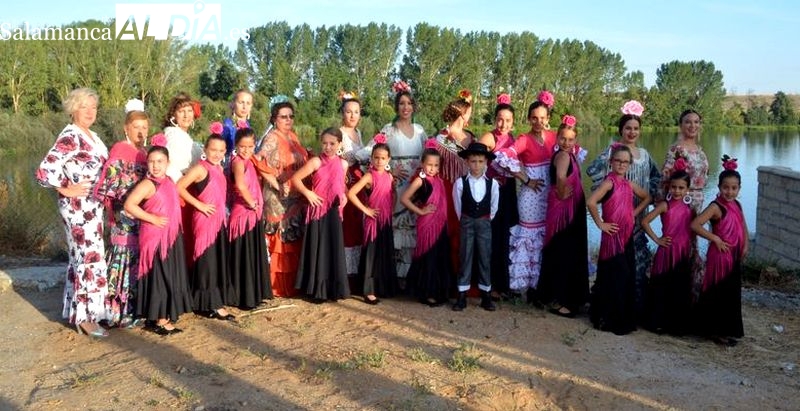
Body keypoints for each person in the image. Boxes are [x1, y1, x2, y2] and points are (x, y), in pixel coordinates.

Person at [36, 87, 111, 337]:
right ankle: (85, 318)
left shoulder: (91, 135)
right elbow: (45, 170)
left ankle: (81, 312)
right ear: (73, 109)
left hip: (93, 207)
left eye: (93, 107)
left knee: (86, 257)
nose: (90, 111)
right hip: (78, 208)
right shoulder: (71, 135)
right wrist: (66, 188)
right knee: (87, 258)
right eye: (84, 107)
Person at [586, 100, 661, 319]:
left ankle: (635, 306)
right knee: (616, 261)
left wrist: (651, 191)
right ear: (621, 129)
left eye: (636, 128)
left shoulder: (645, 154)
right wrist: (608, 195)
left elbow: (657, 176)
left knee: (637, 259)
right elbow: (593, 170)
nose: (632, 132)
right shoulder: (614, 151)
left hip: (637, 214)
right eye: (628, 128)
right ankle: (610, 305)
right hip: (617, 215)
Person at [494, 90, 557, 304]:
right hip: (530, 196)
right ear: (529, 119)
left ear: (548, 119)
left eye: (542, 118)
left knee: (544, 239)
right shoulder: (524, 139)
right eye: (534, 118)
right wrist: (525, 179)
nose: (538, 122)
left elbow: (570, 153)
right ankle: (524, 287)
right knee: (529, 239)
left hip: (550, 196)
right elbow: (503, 157)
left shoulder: (554, 137)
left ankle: (541, 288)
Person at [124, 142, 193, 335]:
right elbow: (130, 205)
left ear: (168, 162)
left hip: (171, 236)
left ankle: (160, 316)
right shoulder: (148, 183)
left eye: (160, 161)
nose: (156, 165)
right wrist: (151, 218)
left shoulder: (169, 180)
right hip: (155, 239)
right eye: (152, 161)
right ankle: (160, 320)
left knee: (168, 275)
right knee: (159, 277)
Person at [93, 99, 149, 328]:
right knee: (122, 258)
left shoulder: (145, 153)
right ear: (126, 128)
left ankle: (134, 308)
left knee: (136, 260)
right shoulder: (119, 149)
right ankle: (117, 310)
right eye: (136, 127)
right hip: (124, 216)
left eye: (144, 127)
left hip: (141, 215)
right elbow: (110, 185)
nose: (141, 131)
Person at [587, 144, 652, 335]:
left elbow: (647, 197)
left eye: (625, 162)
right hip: (612, 237)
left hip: (626, 236)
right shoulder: (609, 183)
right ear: (611, 162)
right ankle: (607, 317)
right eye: (618, 161)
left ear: (630, 164)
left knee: (625, 275)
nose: (622, 164)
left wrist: (634, 212)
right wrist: (601, 224)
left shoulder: (629, 184)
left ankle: (621, 315)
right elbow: (591, 202)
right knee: (613, 275)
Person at [176, 127, 235, 320]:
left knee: (215, 261)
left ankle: (206, 301)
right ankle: (211, 304)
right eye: (213, 150)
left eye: (221, 150)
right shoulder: (200, 168)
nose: (217, 154)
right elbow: (179, 187)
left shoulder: (219, 169)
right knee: (207, 261)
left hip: (218, 220)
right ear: (205, 149)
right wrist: (199, 205)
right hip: (204, 220)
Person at [254, 96, 309, 297]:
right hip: (277, 198)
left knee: (292, 238)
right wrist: (275, 182)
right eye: (283, 117)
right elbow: (256, 161)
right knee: (279, 239)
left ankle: (292, 284)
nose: (287, 120)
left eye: (290, 116)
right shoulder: (272, 138)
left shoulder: (293, 137)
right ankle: (277, 286)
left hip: (294, 196)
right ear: (274, 119)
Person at [691, 155, 747, 346]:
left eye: (734, 188)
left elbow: (743, 226)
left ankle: (729, 328)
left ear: (739, 188)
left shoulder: (737, 205)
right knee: (719, 291)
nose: (729, 192)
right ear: (719, 187)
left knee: (731, 292)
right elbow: (695, 224)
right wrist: (714, 238)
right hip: (720, 257)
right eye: (726, 187)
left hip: (734, 255)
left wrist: (745, 244)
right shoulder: (716, 207)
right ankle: (716, 331)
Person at [537, 115, 589, 318]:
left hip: (571, 210)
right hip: (565, 212)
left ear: (576, 141)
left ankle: (562, 297)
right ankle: (566, 300)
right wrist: (561, 192)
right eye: (563, 139)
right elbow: (560, 177)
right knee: (565, 251)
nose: (566, 143)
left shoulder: (570, 155)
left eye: (570, 139)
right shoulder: (563, 156)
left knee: (565, 251)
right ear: (557, 138)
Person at [292, 128, 351, 302]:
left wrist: (345, 196)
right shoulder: (316, 161)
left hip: (334, 211)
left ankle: (333, 288)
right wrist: (308, 193)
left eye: (332, 143)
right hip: (318, 210)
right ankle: (316, 289)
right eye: (324, 143)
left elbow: (341, 184)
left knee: (332, 248)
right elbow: (296, 179)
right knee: (319, 248)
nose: (328, 147)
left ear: (340, 144)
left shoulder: (344, 164)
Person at [375, 81, 427, 281]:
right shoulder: (389, 130)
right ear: (396, 106)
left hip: (415, 185)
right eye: (402, 103)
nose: (406, 107)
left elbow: (429, 155)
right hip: (396, 186)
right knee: (396, 226)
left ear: (414, 106)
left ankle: (409, 276)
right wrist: (389, 170)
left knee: (412, 226)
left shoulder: (420, 130)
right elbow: (373, 152)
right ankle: (392, 276)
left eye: (409, 103)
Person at [661, 109, 709, 299]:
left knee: (693, 245)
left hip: (697, 202)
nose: (693, 126)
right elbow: (666, 178)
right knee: (680, 245)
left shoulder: (700, 150)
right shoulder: (676, 149)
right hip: (681, 201)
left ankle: (692, 296)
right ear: (681, 125)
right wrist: (666, 208)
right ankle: (674, 294)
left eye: (696, 122)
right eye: (688, 122)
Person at [641, 170, 694, 334]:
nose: (677, 191)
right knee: (662, 286)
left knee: (678, 287)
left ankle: (676, 324)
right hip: (667, 250)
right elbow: (645, 221)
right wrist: (657, 239)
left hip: (683, 251)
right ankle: (656, 322)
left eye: (681, 188)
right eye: (674, 187)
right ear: (669, 187)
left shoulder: (690, 207)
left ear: (687, 190)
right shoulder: (665, 205)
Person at [346, 135, 398, 304]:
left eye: (383, 158)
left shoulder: (390, 177)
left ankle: (382, 287)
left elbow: (393, 196)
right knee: (371, 255)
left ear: (388, 159)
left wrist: (390, 210)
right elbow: (351, 193)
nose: (379, 161)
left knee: (384, 254)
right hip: (372, 222)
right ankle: (368, 291)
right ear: (371, 158)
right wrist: (365, 210)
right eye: (376, 157)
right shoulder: (369, 176)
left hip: (386, 221)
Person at [400, 144, 452, 307]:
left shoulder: (439, 181)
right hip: (427, 225)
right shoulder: (419, 180)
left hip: (441, 224)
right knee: (428, 257)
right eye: (429, 164)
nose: (432, 168)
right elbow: (404, 199)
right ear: (422, 164)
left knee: (439, 256)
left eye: (436, 165)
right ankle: (427, 292)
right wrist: (420, 212)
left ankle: (439, 291)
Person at [478, 93, 518, 300]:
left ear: (513, 123)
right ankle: (489, 284)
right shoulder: (488, 138)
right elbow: (475, 165)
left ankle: (504, 283)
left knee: (506, 238)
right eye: (500, 119)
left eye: (508, 120)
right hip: (491, 192)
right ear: (495, 120)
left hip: (508, 191)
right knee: (491, 239)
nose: (503, 124)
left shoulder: (513, 139)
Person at [451, 143, 499, 312]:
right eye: (473, 161)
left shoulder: (492, 184)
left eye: (480, 161)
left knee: (485, 257)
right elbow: (458, 206)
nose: (477, 165)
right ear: (467, 162)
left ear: (486, 162)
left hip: (485, 223)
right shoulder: (460, 183)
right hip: (466, 221)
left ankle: (486, 295)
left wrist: (484, 220)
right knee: (465, 256)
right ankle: (462, 295)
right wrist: (467, 219)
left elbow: (494, 207)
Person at [229, 127, 271, 308]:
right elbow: (240, 185)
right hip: (244, 214)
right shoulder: (238, 162)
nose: (246, 150)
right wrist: (252, 203)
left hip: (254, 213)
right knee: (244, 256)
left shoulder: (251, 161)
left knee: (252, 254)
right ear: (236, 146)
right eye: (242, 146)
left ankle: (254, 294)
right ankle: (244, 298)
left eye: (250, 146)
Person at [434, 89, 474, 272]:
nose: (470, 115)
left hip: (467, 188)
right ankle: (446, 275)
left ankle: (463, 275)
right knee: (448, 229)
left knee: (464, 230)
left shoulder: (471, 137)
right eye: (469, 112)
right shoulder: (442, 137)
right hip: (446, 188)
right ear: (463, 113)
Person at [338, 92, 370, 279]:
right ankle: (345, 272)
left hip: (359, 180)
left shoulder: (358, 133)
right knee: (347, 223)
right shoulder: (339, 133)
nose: (352, 116)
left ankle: (356, 270)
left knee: (359, 223)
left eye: (356, 112)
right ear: (343, 113)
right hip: (346, 180)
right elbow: (338, 161)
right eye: (349, 112)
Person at [162, 92, 203, 183]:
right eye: (181, 111)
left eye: (189, 111)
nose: (186, 115)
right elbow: (169, 168)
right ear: (174, 115)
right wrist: (183, 185)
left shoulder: (183, 136)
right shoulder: (173, 137)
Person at [221, 89, 254, 163]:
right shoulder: (227, 125)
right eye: (241, 102)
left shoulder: (249, 127)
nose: (244, 107)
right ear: (233, 104)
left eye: (248, 103)